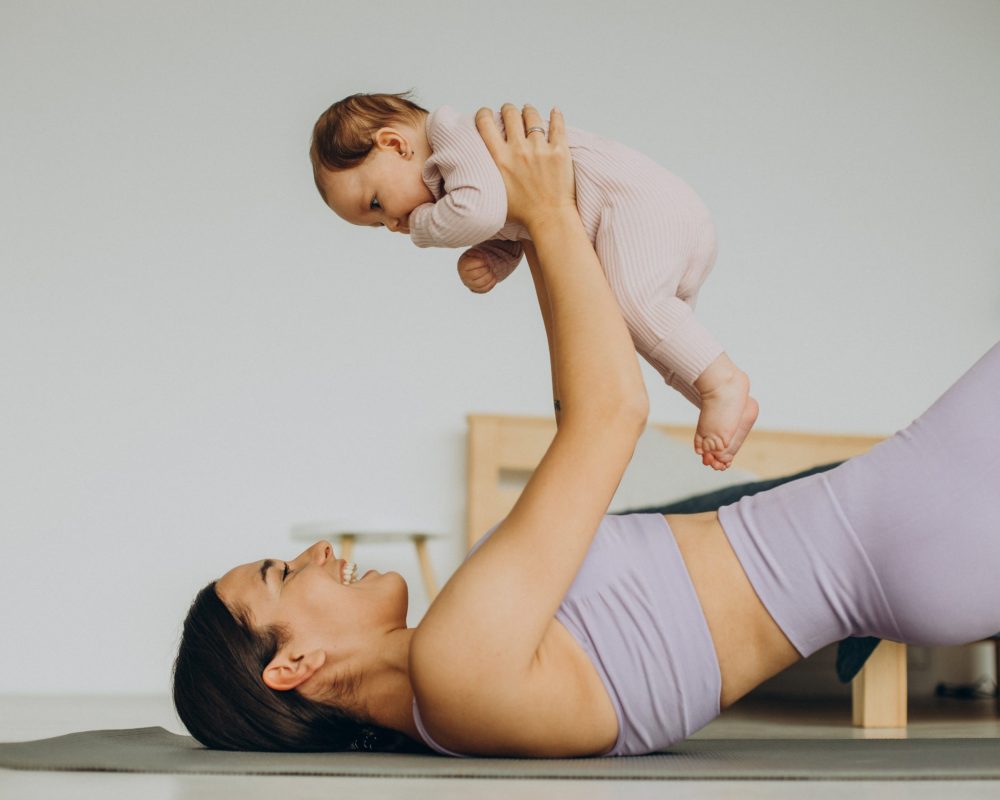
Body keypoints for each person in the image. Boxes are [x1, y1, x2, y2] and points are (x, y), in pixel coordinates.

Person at [173, 104, 1000, 757]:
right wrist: (546, 211)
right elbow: (613, 416)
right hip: (909, 521)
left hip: (911, 529)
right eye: (281, 573)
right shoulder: (455, 669)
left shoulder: (457, 681)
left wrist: (541, 227)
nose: (314, 554)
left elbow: (583, 411)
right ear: (291, 667)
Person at [309, 92, 757, 470]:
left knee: (631, 304)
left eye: (375, 203)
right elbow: (516, 222)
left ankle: (723, 383)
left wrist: (424, 229)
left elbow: (481, 210)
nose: (391, 224)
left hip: (641, 204)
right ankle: (715, 399)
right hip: (651, 218)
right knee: (634, 330)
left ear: (394, 143)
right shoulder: (458, 178)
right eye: (376, 225)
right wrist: (493, 258)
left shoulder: (452, 136)